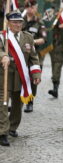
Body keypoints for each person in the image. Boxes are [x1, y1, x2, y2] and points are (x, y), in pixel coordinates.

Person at [0, 11, 41, 140]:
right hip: (4, 75)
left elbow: (33, 57)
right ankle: (3, 132)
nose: (18, 25)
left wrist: (36, 74)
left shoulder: (28, 37)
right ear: (8, 23)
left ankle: (12, 127)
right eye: (15, 22)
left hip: (21, 77)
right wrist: (3, 56)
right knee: (3, 103)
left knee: (18, 104)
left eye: (20, 22)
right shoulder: (2, 37)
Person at [22, 0, 47, 113]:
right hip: (21, 55)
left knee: (33, 78)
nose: (30, 9)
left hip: (34, 56)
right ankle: (20, 100)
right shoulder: (20, 21)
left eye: (32, 7)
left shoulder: (39, 22)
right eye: (28, 7)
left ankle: (30, 102)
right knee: (21, 77)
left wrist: (32, 42)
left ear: (36, 8)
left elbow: (43, 39)